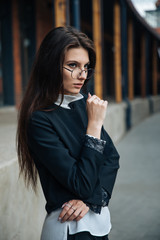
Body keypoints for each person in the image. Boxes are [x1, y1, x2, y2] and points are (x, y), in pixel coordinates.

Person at [17, 26, 120, 240]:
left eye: (86, 67)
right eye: (72, 65)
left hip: (99, 223)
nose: (82, 75)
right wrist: (94, 126)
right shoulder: (39, 120)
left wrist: (90, 200)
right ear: (51, 67)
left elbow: (112, 158)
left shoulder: (84, 105)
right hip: (69, 229)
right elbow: (80, 182)